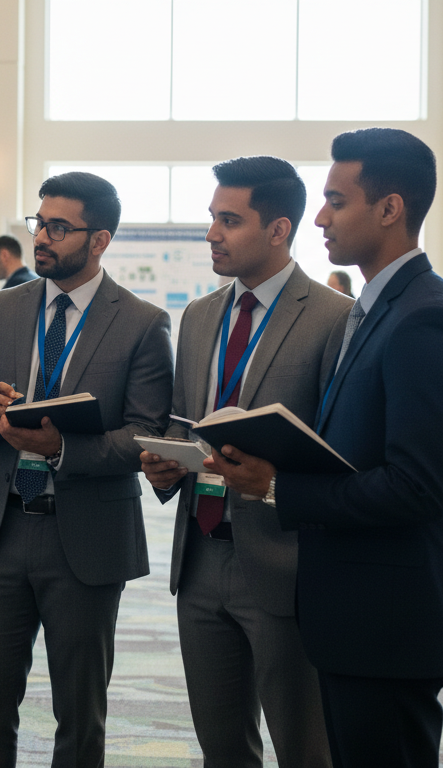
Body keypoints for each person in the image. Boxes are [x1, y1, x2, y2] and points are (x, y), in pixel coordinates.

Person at [197, 128, 443, 768]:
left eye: (335, 199)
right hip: (356, 615)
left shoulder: (424, 320)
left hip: (389, 622)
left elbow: (418, 488)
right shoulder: (381, 310)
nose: (319, 217)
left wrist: (276, 486)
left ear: (390, 209)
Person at [0, 171, 174, 767]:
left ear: (98, 240)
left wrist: (61, 451)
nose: (41, 238)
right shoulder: (4, 308)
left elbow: (147, 436)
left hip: (85, 539)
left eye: (58, 227)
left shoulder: (142, 323)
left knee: (80, 714)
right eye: (38, 223)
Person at [140, 156, 347, 767]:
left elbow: (341, 452)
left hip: (285, 562)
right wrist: (165, 467)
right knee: (222, 747)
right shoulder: (200, 316)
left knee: (304, 746)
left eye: (229, 220)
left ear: (279, 229)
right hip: (200, 556)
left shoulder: (334, 321)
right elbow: (184, 422)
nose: (211, 233)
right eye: (211, 218)